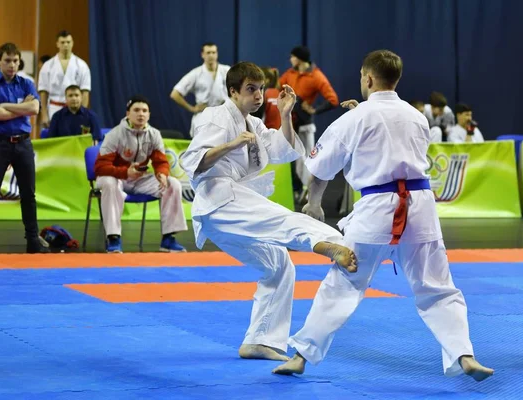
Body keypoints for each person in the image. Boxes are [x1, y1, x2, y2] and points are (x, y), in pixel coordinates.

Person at [273, 50, 493, 381]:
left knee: (343, 282)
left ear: (368, 79)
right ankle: (464, 354)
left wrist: (315, 205)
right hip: (421, 207)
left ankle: (301, 356)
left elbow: (320, 170)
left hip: (377, 208)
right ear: (396, 80)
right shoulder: (417, 117)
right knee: (438, 287)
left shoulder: (354, 118)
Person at [180, 62, 357, 362]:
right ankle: (331, 242)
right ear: (233, 91)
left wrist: (286, 115)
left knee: (279, 265)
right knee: (284, 220)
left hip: (226, 212)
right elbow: (194, 160)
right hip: (220, 197)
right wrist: (231, 144)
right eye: (251, 89)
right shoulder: (217, 117)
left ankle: (260, 340)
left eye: (261, 89)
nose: (259, 95)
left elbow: (283, 149)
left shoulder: (254, 124)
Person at [94, 95, 188, 253]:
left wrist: (162, 173)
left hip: (139, 180)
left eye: (145, 111)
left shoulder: (154, 134)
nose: (141, 114)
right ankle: (113, 238)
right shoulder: (114, 135)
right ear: (128, 114)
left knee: (173, 184)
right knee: (109, 184)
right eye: (136, 110)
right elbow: (100, 167)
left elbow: (161, 162)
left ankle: (168, 238)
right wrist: (125, 172)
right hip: (116, 177)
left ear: (149, 115)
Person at [0, 43, 48, 253]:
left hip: (23, 143)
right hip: (0, 142)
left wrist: (6, 107)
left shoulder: (26, 83)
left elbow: (35, 108)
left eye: (15, 61)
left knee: (28, 194)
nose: (12, 65)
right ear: (0, 61)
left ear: (20, 62)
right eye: (7, 60)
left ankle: (33, 241)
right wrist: (22, 109)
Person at [280, 46, 339, 201]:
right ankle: (299, 190)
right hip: (291, 124)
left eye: (292, 57)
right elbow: (276, 88)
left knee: (306, 160)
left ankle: (309, 192)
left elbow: (333, 100)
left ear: (299, 59)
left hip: (305, 125)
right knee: (293, 159)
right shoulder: (289, 74)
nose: (290, 60)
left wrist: (314, 110)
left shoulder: (316, 76)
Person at [170, 43, 230, 138]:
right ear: (202, 54)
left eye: (213, 52)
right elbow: (175, 94)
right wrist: (192, 108)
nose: (211, 55)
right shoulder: (196, 73)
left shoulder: (227, 71)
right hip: (203, 116)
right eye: (208, 52)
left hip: (224, 116)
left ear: (217, 54)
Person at [38, 31, 91, 127]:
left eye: (68, 42)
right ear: (57, 44)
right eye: (62, 42)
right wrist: (44, 115)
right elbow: (43, 92)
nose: (66, 45)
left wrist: (83, 114)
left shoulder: (82, 65)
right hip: (54, 108)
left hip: (75, 109)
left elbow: (85, 92)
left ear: (72, 43)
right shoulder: (48, 65)